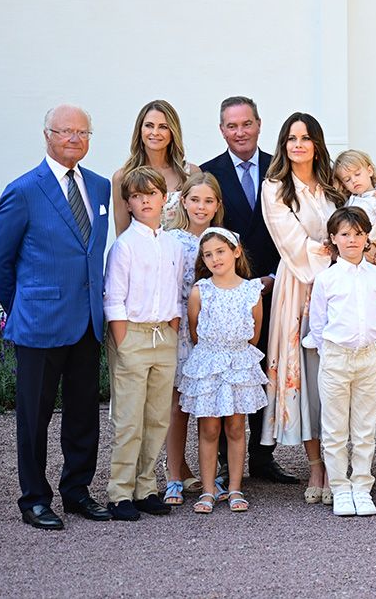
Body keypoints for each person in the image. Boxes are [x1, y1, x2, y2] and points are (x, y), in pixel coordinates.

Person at [0, 104, 112, 530]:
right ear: (47, 135)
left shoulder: (98, 187)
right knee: (33, 417)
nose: (74, 139)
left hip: (87, 323)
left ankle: (77, 491)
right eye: (65, 132)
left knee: (83, 414)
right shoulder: (23, 190)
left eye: (82, 132)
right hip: (39, 324)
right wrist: (22, 307)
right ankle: (35, 499)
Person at [201, 96, 296, 485]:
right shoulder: (209, 173)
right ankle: (226, 461)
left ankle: (262, 455)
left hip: (277, 288)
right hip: (228, 294)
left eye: (246, 124)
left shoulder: (281, 167)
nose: (240, 132)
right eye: (231, 126)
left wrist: (275, 277)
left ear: (259, 124)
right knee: (228, 374)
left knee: (265, 372)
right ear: (222, 130)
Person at [260, 112, 346, 502]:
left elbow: (356, 223)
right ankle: (316, 467)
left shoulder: (333, 185)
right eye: (292, 138)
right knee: (307, 378)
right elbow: (291, 243)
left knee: (336, 374)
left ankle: (338, 462)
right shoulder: (276, 188)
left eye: (306, 137)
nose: (298, 144)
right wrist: (336, 251)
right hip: (300, 288)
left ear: (316, 143)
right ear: (284, 143)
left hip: (341, 286)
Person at [103, 166, 184, 521]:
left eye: (151, 193)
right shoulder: (124, 246)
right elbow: (114, 299)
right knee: (129, 418)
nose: (144, 201)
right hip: (132, 335)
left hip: (163, 335)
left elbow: (178, 291)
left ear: (163, 198)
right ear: (129, 204)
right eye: (136, 196)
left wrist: (174, 326)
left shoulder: (173, 245)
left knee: (156, 418)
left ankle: (146, 487)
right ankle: (120, 491)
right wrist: (123, 342)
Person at [304, 207, 376, 517]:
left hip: (367, 357)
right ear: (333, 239)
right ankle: (340, 487)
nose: (351, 240)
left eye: (357, 234)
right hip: (336, 357)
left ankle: (362, 486)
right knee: (335, 427)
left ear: (367, 237)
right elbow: (318, 322)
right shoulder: (327, 279)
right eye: (344, 234)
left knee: (365, 426)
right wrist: (330, 353)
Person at [180, 228, 268, 514]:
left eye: (220, 251)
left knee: (235, 426)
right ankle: (207, 490)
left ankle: (234, 487)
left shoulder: (251, 291)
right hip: (209, 363)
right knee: (209, 427)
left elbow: (254, 335)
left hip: (238, 363)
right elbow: (195, 332)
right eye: (208, 255)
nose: (215, 258)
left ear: (236, 251)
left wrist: (234, 353)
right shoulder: (200, 292)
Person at [162, 173, 225, 505]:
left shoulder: (227, 239)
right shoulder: (172, 240)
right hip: (181, 330)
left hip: (215, 335)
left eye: (208, 201)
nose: (201, 207)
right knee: (177, 406)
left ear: (217, 206)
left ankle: (208, 477)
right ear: (184, 202)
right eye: (195, 200)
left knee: (209, 406)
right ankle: (174, 473)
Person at [112, 100, 200, 234]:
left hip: (185, 254)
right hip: (142, 254)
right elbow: (122, 233)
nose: (155, 132)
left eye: (163, 127)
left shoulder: (190, 173)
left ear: (173, 131)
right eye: (149, 125)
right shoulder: (123, 177)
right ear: (140, 130)